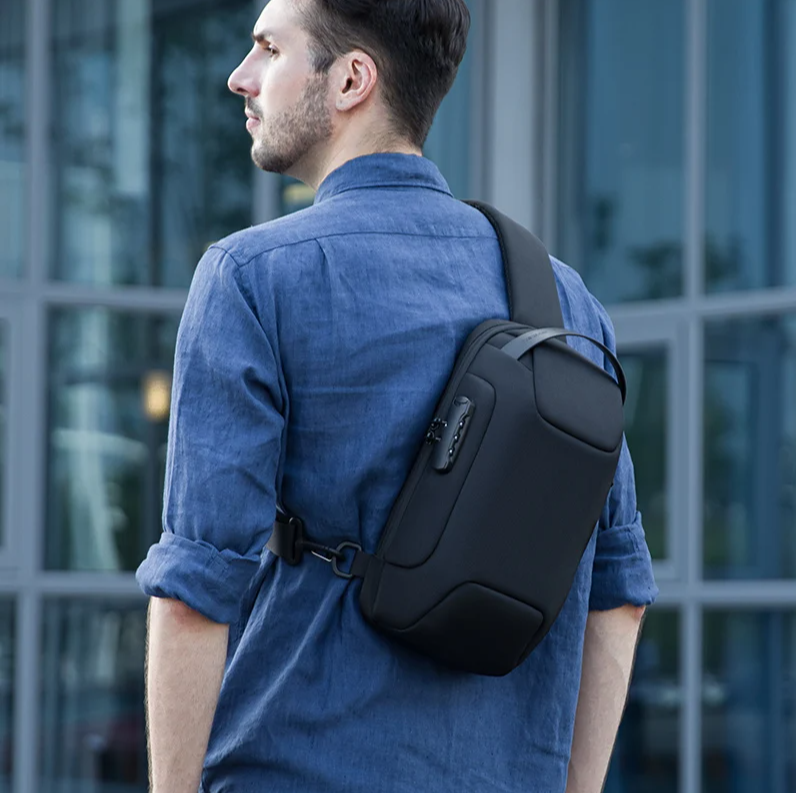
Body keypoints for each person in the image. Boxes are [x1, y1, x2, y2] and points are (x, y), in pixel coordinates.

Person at [136, 0, 658, 791]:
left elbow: (193, 592)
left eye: (269, 49)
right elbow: (619, 594)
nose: (240, 77)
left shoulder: (252, 279)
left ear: (352, 80)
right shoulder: (566, 303)